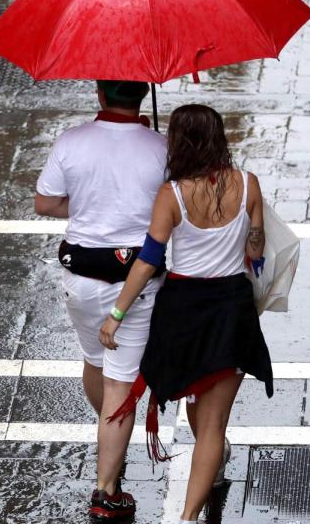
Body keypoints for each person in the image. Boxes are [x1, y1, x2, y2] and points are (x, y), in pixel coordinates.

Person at [100, 104, 273, 524]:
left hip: (183, 310)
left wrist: (117, 313)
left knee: (196, 400)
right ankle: (189, 517)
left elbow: (148, 260)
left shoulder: (171, 195)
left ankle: (193, 505)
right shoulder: (248, 184)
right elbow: (255, 253)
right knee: (212, 423)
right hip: (231, 308)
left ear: (178, 142)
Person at [34, 80, 167, 522]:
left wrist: (92, 206)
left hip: (80, 279)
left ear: (100, 94)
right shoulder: (160, 147)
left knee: (95, 363)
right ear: (144, 95)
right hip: (135, 283)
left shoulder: (71, 141)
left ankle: (112, 434)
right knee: (120, 386)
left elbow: (45, 203)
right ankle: (106, 491)